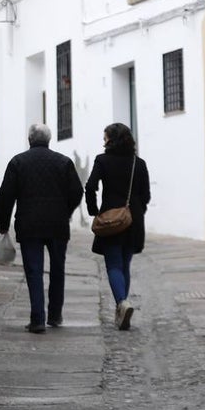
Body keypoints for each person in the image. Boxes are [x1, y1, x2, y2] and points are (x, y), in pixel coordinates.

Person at [0, 123, 84, 333]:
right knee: (57, 270)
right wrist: (67, 211)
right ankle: (55, 315)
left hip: (29, 225)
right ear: (49, 140)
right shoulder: (64, 162)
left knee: (34, 271)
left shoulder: (18, 162)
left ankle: (37, 319)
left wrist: (3, 225)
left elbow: (5, 196)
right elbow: (77, 192)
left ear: (29, 139)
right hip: (57, 225)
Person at [85, 122, 151, 331]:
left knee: (113, 265)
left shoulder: (102, 161)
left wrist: (94, 210)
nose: (103, 143)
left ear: (111, 141)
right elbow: (146, 195)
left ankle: (122, 303)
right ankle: (123, 306)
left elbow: (90, 186)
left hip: (111, 220)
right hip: (134, 219)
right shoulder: (138, 164)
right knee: (124, 265)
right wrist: (137, 212)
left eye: (105, 139)